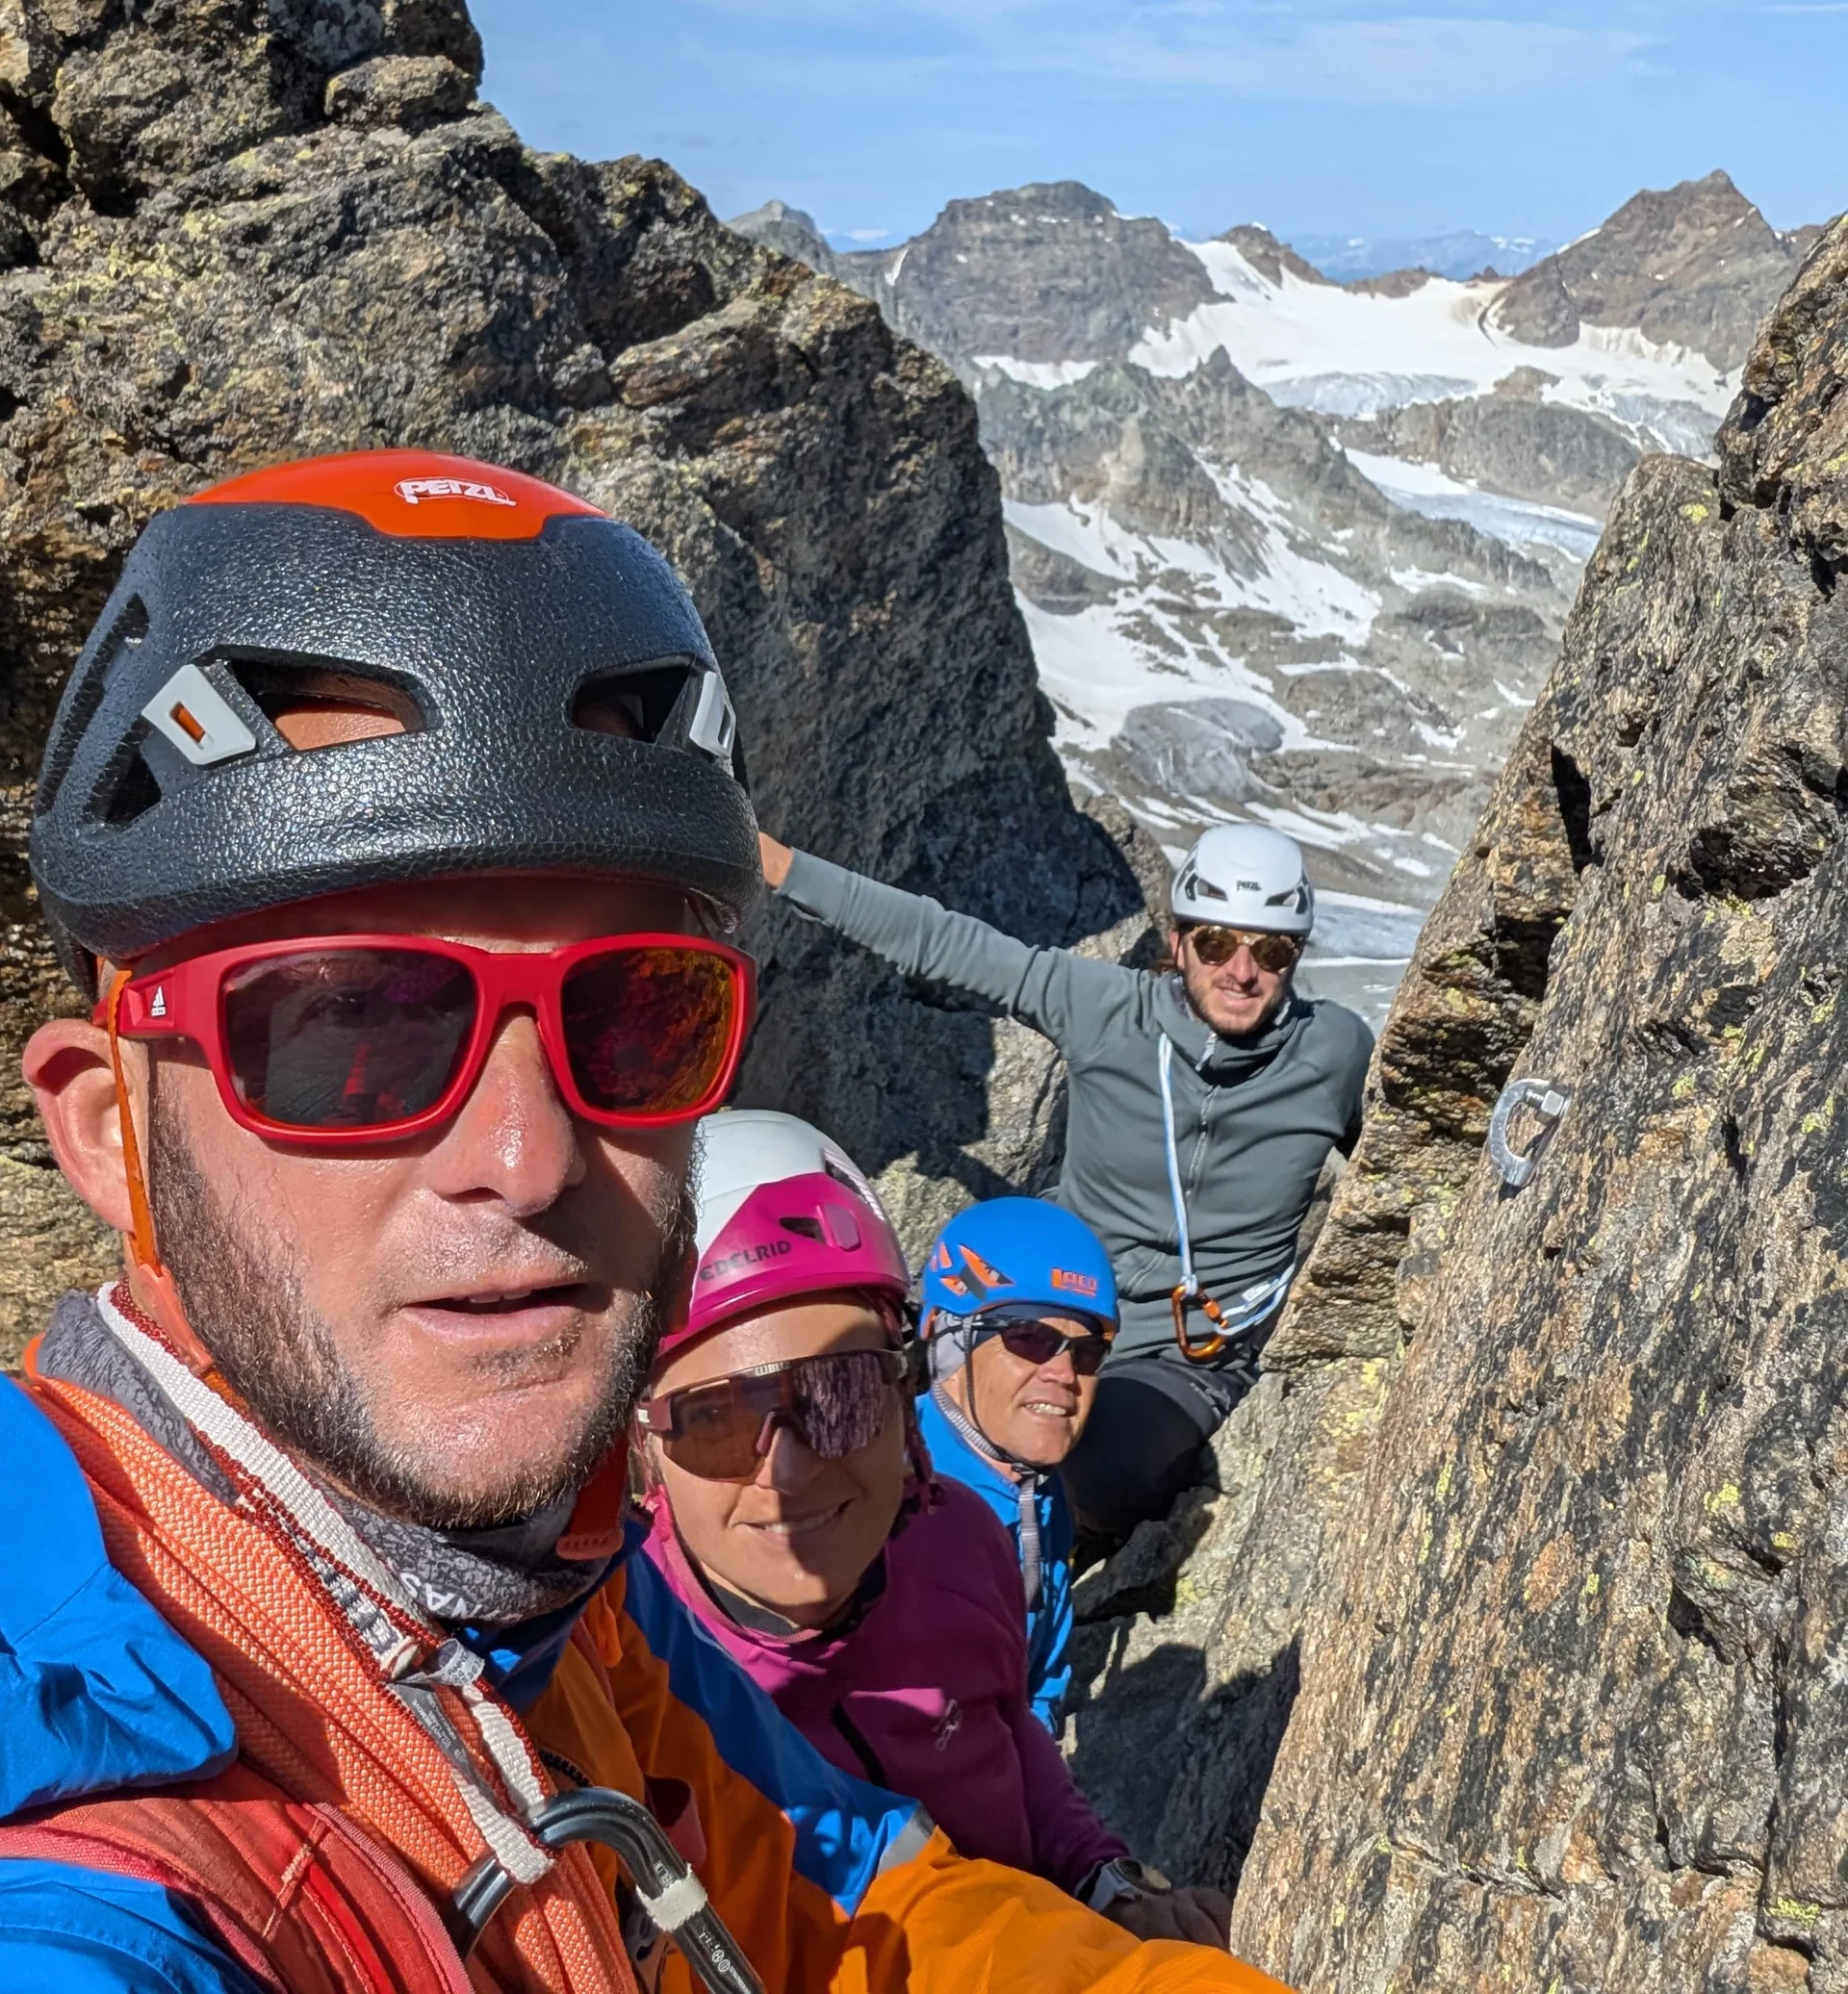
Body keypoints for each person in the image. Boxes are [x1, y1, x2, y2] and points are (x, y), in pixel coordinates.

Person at [0, 448, 1290, 1994]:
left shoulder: (557, 1597)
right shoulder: (91, 1867)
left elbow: (849, 1889)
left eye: (636, 1018)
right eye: (353, 1028)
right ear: (105, 1128)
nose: (527, 1157)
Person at [635, 1111, 1229, 1948]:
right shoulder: (630, 1669)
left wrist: (1104, 1881)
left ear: (905, 1397)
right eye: (717, 1419)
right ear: (645, 1448)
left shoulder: (960, 1543)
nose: (790, 1472)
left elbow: (1009, 1729)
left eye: (843, 1398)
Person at [758, 821, 1373, 1552]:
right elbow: (945, 941)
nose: (1241, 971)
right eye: (1216, 943)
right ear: (1177, 942)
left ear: (1295, 957)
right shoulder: (1107, 1010)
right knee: (900, 1433)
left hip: (1186, 1362)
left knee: (1091, 1476)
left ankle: (1022, 1597)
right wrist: (781, 866)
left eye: (1269, 950)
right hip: (1054, 1306)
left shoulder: (1335, 1052)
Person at [914, 1193, 1116, 1730]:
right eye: (1029, 1338)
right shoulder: (885, 1499)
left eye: (1087, 1352)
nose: (1065, 1374)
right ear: (949, 1340)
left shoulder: (1038, 1494)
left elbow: (1042, 1681)